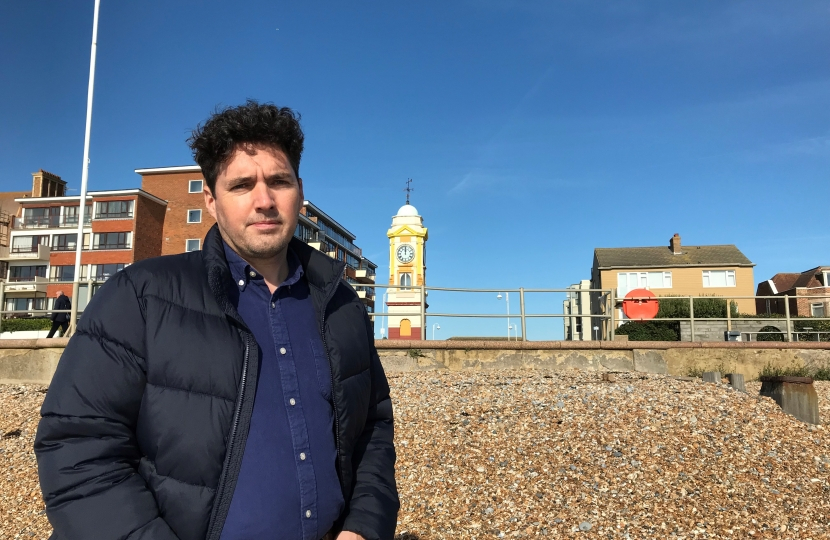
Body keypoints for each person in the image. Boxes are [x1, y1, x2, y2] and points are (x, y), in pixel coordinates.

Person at [35, 101, 399, 540]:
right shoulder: (140, 297)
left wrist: (363, 527)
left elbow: (373, 430)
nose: (264, 201)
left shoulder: (341, 304)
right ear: (210, 199)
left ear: (300, 192)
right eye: (242, 185)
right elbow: (77, 450)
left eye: (278, 181)